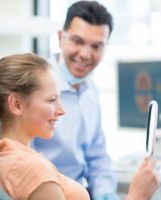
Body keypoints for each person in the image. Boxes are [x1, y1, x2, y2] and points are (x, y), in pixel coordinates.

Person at [0, 53, 159, 200]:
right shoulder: (31, 169)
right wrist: (137, 195)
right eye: (51, 100)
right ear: (17, 104)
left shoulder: (5, 156)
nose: (62, 110)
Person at [31, 1, 121, 199]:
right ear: (61, 37)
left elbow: (97, 157)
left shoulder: (90, 91)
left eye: (96, 46)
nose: (85, 54)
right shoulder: (31, 86)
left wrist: (105, 192)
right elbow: (22, 166)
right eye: (78, 41)